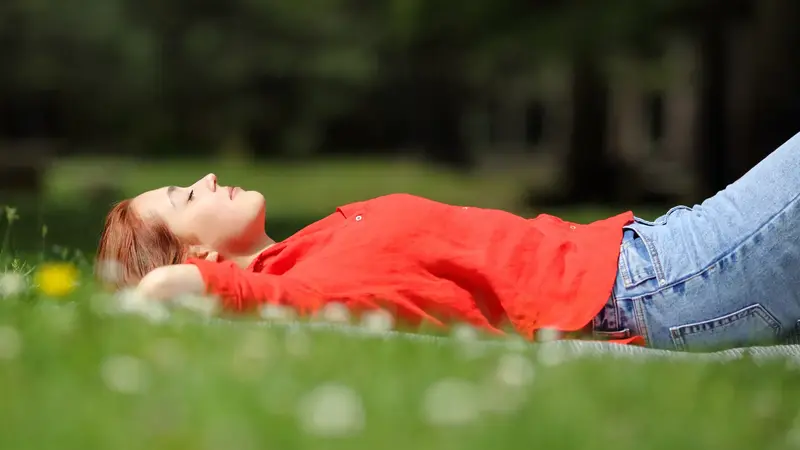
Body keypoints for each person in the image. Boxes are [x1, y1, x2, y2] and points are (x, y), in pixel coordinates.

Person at [97, 132, 800, 352]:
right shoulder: (302, 291)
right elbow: (169, 289)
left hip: (661, 249)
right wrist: (156, 290)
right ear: (204, 259)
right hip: (663, 284)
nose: (208, 177)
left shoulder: (308, 250)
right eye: (186, 197)